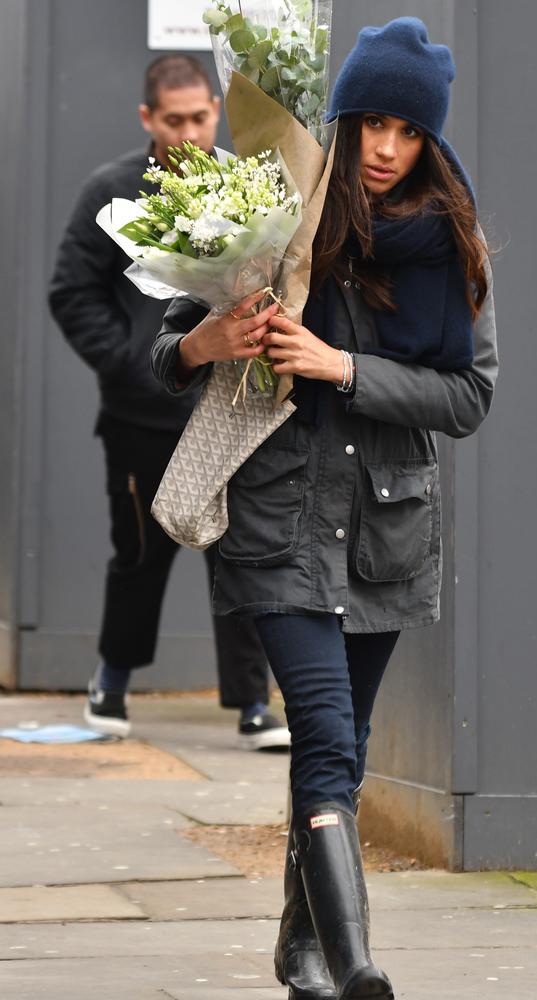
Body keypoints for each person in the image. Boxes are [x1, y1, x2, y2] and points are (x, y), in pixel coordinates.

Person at [151, 19, 498, 1000]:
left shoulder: (450, 243)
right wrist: (205, 343)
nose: (386, 148)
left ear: (431, 141)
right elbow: (163, 349)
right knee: (327, 735)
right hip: (275, 519)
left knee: (331, 754)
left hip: (383, 530)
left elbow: (469, 397)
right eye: (371, 123)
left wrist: (343, 366)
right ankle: (355, 966)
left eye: (409, 131)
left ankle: (300, 949)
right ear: (340, 121)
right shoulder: (274, 207)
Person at [48, 55, 289, 751]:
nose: (189, 130)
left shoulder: (243, 183)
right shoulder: (112, 189)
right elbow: (72, 292)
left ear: (216, 109)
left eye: (200, 115)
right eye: (174, 118)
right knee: (139, 552)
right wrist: (132, 364)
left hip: (227, 411)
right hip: (140, 414)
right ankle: (112, 680)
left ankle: (251, 704)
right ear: (148, 118)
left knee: (238, 552)